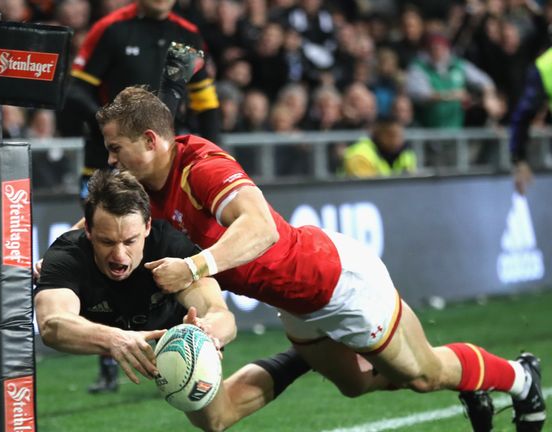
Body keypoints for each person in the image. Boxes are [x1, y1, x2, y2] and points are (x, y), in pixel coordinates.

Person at [96, 86, 546, 432]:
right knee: (353, 386)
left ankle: (521, 380)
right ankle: (463, 378)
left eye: (116, 149)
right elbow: (94, 225)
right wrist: (52, 262)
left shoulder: (201, 168)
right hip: (297, 301)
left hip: (336, 281)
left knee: (425, 374)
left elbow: (261, 227)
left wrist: (194, 267)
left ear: (151, 141)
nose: (111, 160)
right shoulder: (145, 190)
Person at [34, 169, 310, 426]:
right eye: (107, 242)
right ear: (89, 232)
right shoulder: (67, 256)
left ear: (147, 227)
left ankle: (306, 355)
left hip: (178, 333)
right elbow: (52, 324)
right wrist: (114, 339)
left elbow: (221, 314)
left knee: (213, 420)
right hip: (112, 335)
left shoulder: (171, 247)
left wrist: (210, 332)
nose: (119, 255)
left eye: (130, 241)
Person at [65, 0, 221, 390]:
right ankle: (108, 358)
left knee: (158, 257)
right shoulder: (111, 30)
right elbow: (75, 91)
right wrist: (116, 133)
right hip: (108, 168)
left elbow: (206, 103)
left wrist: (215, 155)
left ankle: (173, 347)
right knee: (107, 258)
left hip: (165, 168)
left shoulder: (187, 33)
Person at [509, 45, 552, 195]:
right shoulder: (545, 66)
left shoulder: (545, 65)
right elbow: (523, 116)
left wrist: (518, 158)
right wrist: (519, 159)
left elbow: (522, 116)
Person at [342, 117, 417, 178]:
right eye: (391, 136)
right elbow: (365, 190)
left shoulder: (407, 155)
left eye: (400, 136)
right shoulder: (360, 155)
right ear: (378, 134)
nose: (396, 140)